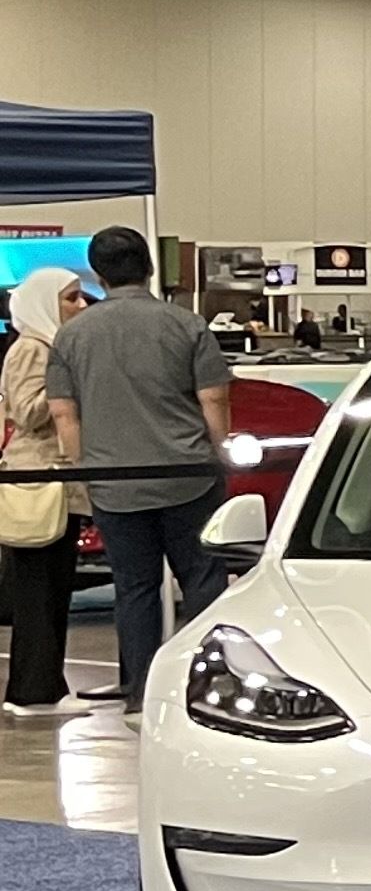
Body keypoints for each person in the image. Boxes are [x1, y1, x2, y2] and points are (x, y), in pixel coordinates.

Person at [44, 226, 237, 718]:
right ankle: (210, 685)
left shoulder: (71, 336)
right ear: (149, 266)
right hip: (188, 474)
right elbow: (213, 398)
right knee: (202, 579)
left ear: (98, 274)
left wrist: (85, 470)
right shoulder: (185, 324)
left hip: (116, 482)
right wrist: (220, 455)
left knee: (134, 588)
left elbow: (65, 414)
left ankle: (139, 691)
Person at [0, 267, 86, 718]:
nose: (80, 305)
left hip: (56, 484)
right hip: (37, 481)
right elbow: (29, 411)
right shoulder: (32, 350)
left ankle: (46, 685)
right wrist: (69, 388)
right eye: (71, 298)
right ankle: (31, 690)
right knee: (37, 589)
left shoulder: (51, 346)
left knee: (53, 587)